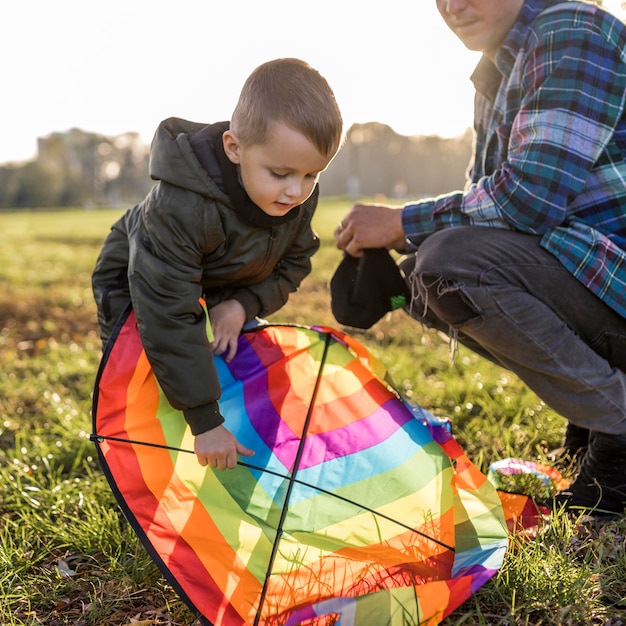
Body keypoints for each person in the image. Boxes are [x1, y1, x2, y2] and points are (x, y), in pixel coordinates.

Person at [335, 0, 626, 518]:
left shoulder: (572, 31)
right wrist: (398, 261)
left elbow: (527, 200)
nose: (453, 5)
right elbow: (487, 206)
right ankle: (591, 421)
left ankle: (619, 426)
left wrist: (401, 223)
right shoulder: (503, 61)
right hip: (602, 294)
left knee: (449, 265)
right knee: (423, 280)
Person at [93, 58, 343, 470]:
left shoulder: (294, 196)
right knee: (144, 377)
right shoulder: (181, 207)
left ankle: (246, 461)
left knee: (248, 365)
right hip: (140, 283)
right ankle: (149, 473)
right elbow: (168, 310)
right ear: (234, 148)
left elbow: (294, 263)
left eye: (312, 175)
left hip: (222, 279)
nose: (296, 191)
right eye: (280, 173)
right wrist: (205, 419)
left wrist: (243, 305)